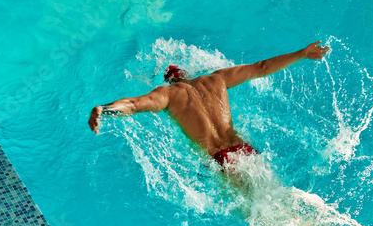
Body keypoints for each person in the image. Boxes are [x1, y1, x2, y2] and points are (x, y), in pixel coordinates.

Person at [88, 41, 329, 169]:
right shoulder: (217, 78)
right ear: (188, 73)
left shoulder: (168, 95)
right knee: (284, 208)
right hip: (247, 152)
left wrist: (104, 109)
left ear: (168, 80)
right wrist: (302, 53)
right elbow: (262, 67)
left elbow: (132, 104)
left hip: (222, 159)